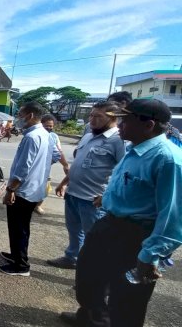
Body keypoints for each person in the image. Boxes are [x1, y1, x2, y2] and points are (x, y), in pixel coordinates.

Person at [60, 99, 182, 327]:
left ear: (149, 125)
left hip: (136, 236)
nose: (120, 124)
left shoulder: (167, 159)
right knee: (89, 279)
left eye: (127, 119)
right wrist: (106, 199)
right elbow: (127, 182)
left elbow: (173, 217)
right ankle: (92, 318)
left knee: (127, 302)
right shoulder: (134, 148)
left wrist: (150, 255)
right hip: (109, 225)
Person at [46, 102, 125, 270]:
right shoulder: (89, 135)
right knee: (74, 231)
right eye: (91, 115)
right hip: (73, 194)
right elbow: (79, 164)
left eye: (98, 117)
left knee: (96, 239)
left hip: (94, 200)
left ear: (113, 118)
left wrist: (108, 196)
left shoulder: (119, 140)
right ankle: (72, 258)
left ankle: (92, 274)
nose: (92, 120)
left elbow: (124, 172)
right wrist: (63, 183)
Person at [0, 102, 53, 276]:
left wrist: (11, 190)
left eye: (20, 114)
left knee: (18, 228)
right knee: (22, 227)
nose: (18, 118)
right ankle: (16, 256)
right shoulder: (45, 134)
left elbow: (23, 168)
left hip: (22, 191)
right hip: (34, 189)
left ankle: (21, 266)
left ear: (29, 116)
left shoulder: (31, 137)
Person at [34, 114, 70, 215]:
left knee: (45, 187)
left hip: (46, 167)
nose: (49, 128)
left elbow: (58, 152)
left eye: (51, 126)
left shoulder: (54, 136)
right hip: (34, 166)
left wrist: (65, 165)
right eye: (47, 125)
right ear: (41, 124)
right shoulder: (36, 134)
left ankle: (38, 205)